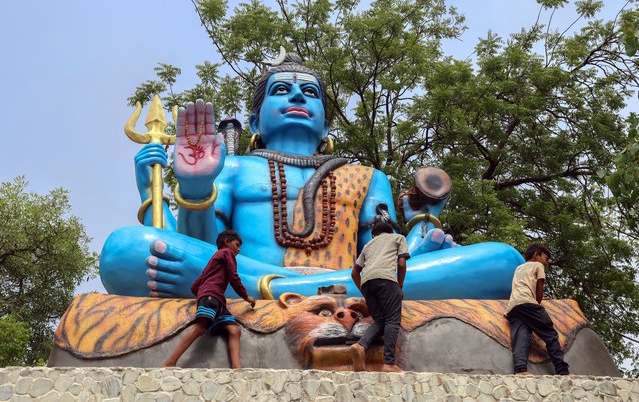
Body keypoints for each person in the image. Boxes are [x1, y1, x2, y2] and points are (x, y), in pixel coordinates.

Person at [100, 52, 524, 301]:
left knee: (504, 262)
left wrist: (417, 238)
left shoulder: (366, 177)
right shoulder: (233, 167)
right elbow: (200, 247)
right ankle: (327, 291)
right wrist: (194, 188)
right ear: (255, 119)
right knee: (123, 250)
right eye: (281, 91)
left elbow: (378, 256)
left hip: (283, 282)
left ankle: (270, 289)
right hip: (340, 287)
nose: (298, 96)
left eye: (310, 93)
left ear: (325, 126)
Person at [163, 230, 256, 368]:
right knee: (200, 327)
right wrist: (246, 296)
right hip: (212, 296)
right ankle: (170, 362)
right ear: (227, 242)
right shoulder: (226, 253)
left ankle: (237, 369)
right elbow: (233, 277)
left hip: (217, 299)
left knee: (234, 330)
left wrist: (201, 293)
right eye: (236, 245)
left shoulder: (213, 261)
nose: (238, 249)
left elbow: (195, 286)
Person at [350, 221, 408, 372]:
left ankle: (360, 346)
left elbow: (354, 272)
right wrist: (399, 286)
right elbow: (401, 263)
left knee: (381, 321)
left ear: (373, 235)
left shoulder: (368, 245)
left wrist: (364, 290)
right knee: (393, 320)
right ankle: (388, 364)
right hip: (386, 280)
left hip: (367, 283)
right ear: (389, 231)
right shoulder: (398, 238)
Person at [505, 243, 569, 375]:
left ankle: (521, 369)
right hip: (528, 303)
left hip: (513, 307)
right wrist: (538, 302)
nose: (547, 263)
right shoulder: (538, 266)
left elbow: (523, 286)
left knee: (521, 337)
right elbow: (539, 291)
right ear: (536, 254)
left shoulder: (519, 268)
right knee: (550, 334)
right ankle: (562, 370)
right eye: (546, 258)